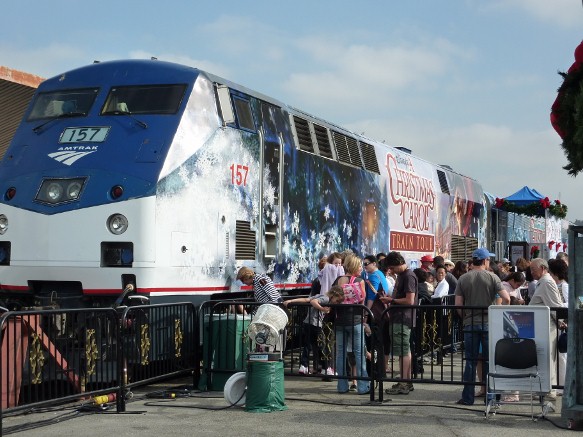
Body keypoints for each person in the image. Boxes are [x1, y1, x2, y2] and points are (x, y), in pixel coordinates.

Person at [454, 248, 509, 406]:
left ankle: (467, 397)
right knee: (488, 361)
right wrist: (498, 315)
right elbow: (506, 298)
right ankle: (490, 398)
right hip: (488, 324)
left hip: (470, 323)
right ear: (485, 261)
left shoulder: (463, 278)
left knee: (470, 361)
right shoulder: (493, 277)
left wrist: (465, 317)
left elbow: (458, 304)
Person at [284, 285, 345, 376]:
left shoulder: (319, 295)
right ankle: (326, 368)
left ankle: (304, 366)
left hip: (308, 323)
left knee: (309, 345)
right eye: (337, 300)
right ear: (334, 295)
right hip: (315, 324)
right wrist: (322, 309)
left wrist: (291, 301)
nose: (336, 303)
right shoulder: (325, 299)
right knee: (322, 346)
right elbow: (313, 301)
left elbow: (306, 300)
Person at [381, 251, 418, 395]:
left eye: (392, 267)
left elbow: (409, 300)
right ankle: (405, 381)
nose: (391, 270)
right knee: (404, 350)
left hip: (403, 318)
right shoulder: (404, 275)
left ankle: (404, 382)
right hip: (401, 317)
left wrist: (392, 300)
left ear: (397, 263)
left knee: (403, 350)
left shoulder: (408, 276)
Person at [332, 254, 369, 395]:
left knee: (340, 353)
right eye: (359, 265)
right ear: (354, 266)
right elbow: (362, 301)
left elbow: (332, 299)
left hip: (340, 320)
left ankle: (342, 386)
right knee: (359, 354)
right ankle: (363, 386)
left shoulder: (338, 281)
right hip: (356, 321)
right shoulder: (360, 281)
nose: (361, 268)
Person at [530, 258, 567, 400]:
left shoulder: (546, 282)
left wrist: (560, 322)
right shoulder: (544, 282)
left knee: (548, 359)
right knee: (546, 359)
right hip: (543, 326)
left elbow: (555, 306)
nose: (531, 272)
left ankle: (548, 391)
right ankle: (546, 389)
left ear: (543, 269)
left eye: (534, 269)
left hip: (547, 327)